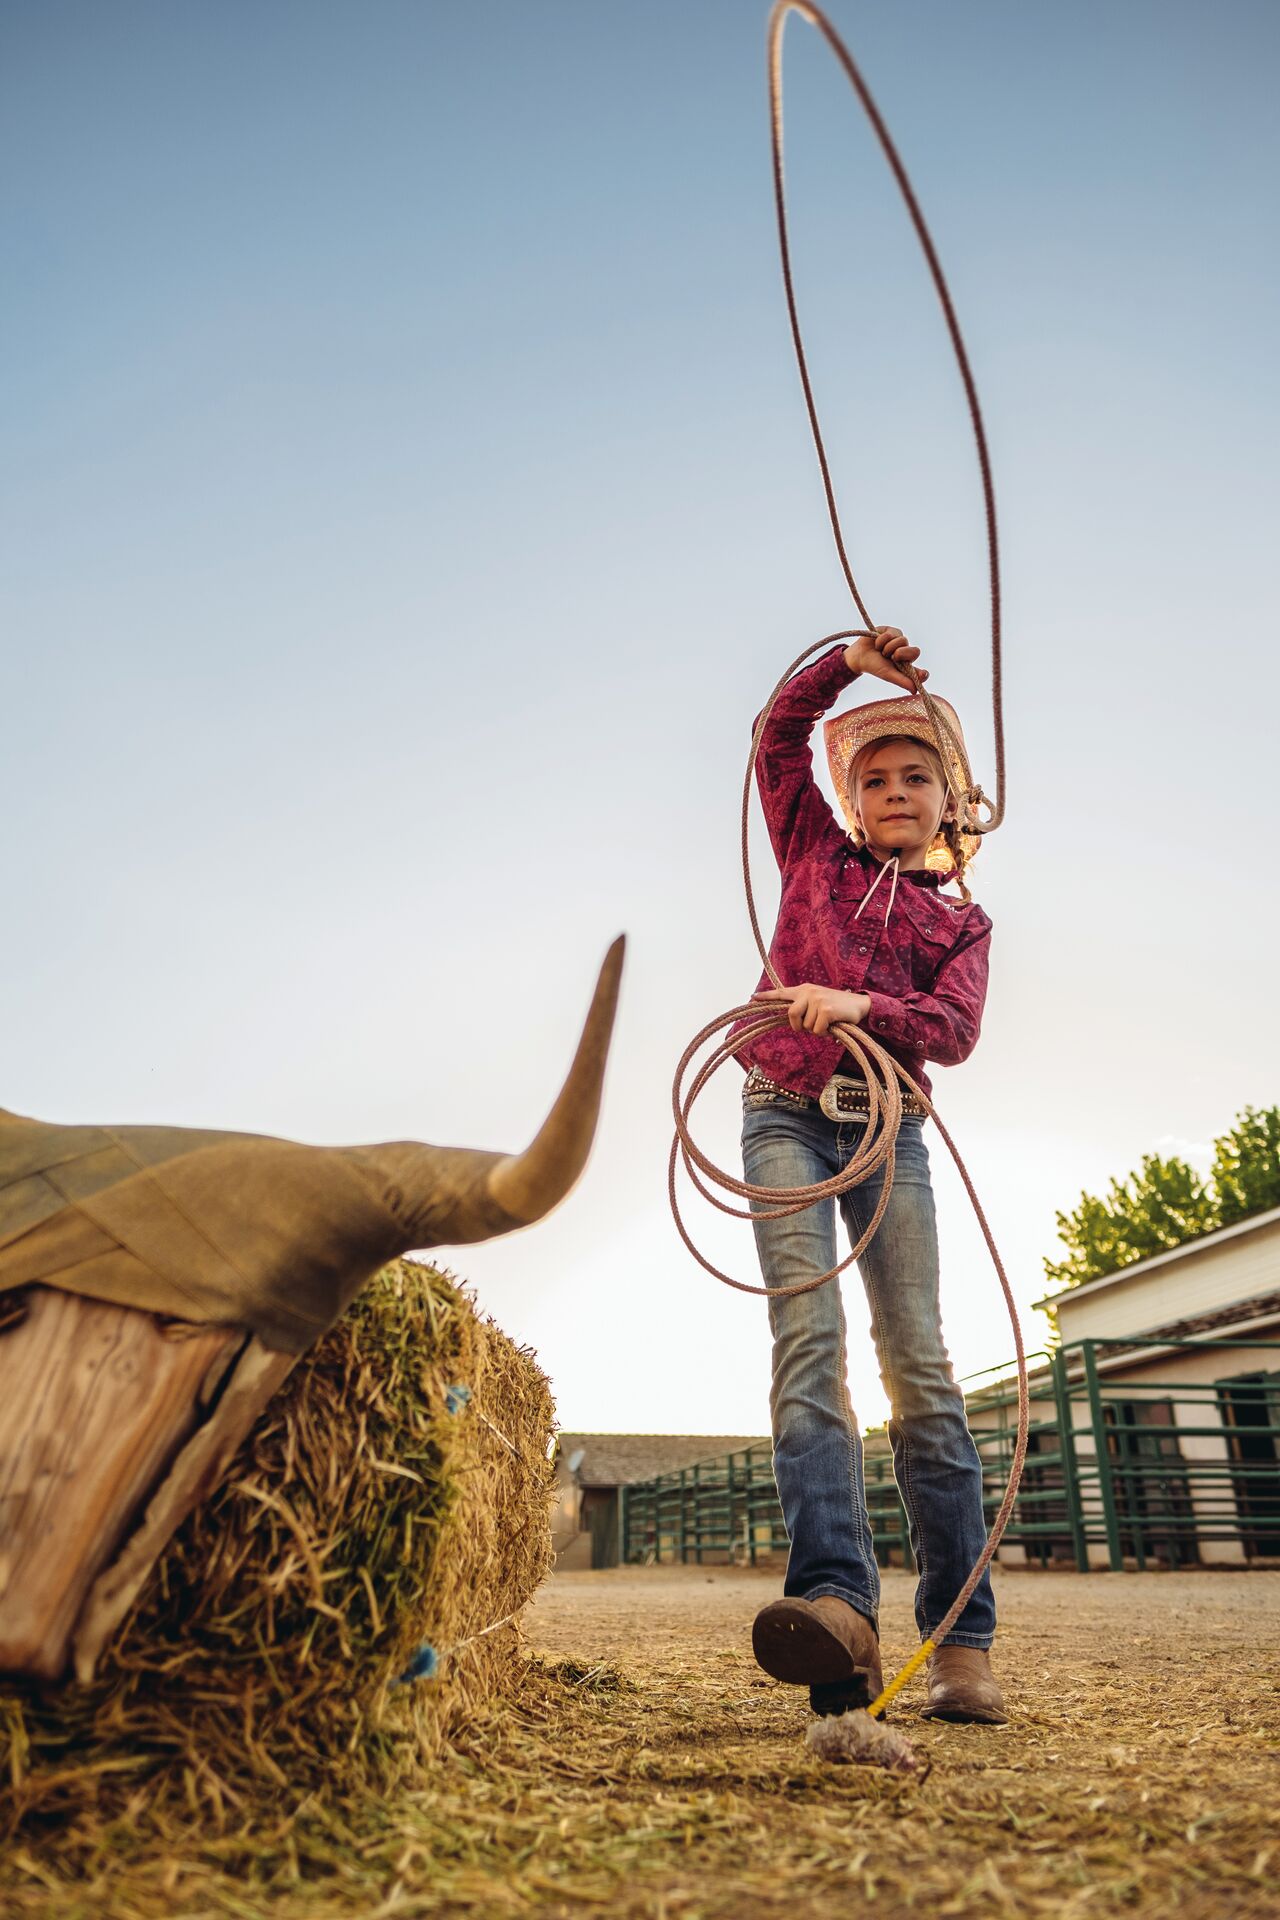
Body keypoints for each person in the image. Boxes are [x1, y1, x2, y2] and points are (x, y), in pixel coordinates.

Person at [734, 624, 1006, 1725]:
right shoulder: (809, 853)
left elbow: (949, 1029)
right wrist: (851, 663)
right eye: (875, 777)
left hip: (887, 1130)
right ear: (847, 802)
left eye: (915, 776)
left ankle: (959, 1641)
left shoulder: (960, 920)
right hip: (779, 1115)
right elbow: (774, 734)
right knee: (809, 1348)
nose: (894, 790)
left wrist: (861, 1008)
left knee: (921, 1373)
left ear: (949, 802)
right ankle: (836, 1607)